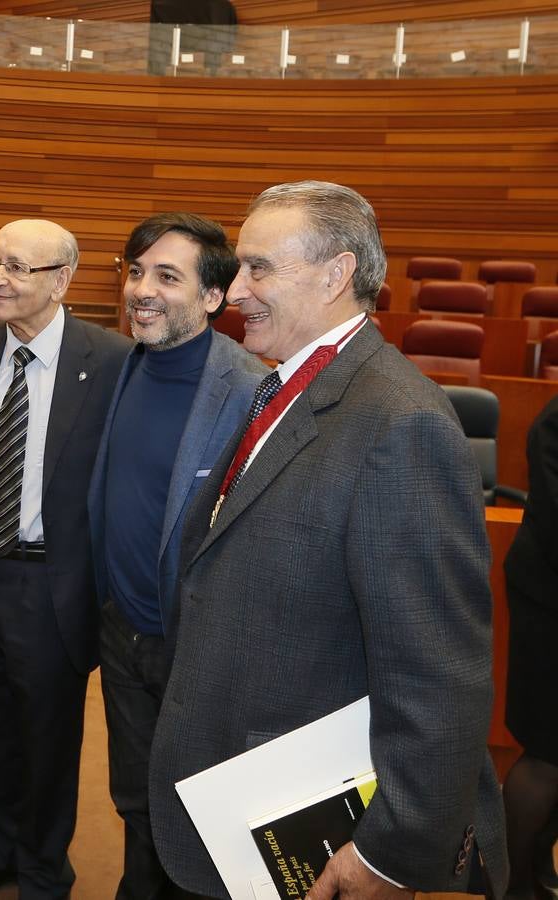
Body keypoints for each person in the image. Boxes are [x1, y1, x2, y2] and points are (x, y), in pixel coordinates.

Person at [149, 181, 506, 898]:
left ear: (336, 274)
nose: (235, 288)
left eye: (258, 268)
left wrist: (389, 852)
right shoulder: (281, 386)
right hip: (238, 793)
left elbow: (437, 671)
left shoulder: (402, 424)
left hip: (306, 820)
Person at [0, 219, 132, 900]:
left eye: (19, 267)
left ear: (63, 281)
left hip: (53, 584)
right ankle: (1, 852)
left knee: (48, 742)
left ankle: (46, 872)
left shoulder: (110, 360)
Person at [88, 213, 267, 900]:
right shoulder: (120, 366)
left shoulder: (251, 391)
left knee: (200, 811)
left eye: (167, 276)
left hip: (195, 646)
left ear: (215, 297)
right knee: (135, 798)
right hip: (121, 632)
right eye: (136, 272)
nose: (143, 290)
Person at [502, 394, 558, 900]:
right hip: (551, 607)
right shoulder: (556, 420)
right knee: (547, 756)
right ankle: (512, 883)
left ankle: (538, 865)